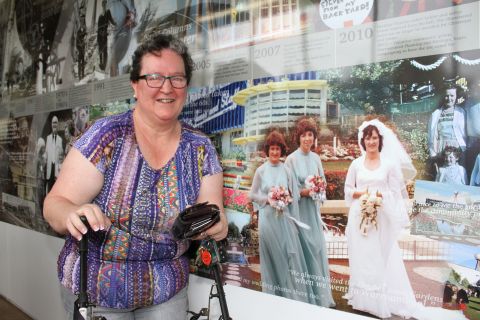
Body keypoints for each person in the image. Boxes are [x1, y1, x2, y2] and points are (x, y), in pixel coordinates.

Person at [43, 33, 228, 319]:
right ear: (135, 85)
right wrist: (72, 211)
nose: (166, 87)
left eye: (177, 78)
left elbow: (215, 217)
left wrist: (215, 228)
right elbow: (54, 205)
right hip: (97, 290)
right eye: (154, 77)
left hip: (166, 288)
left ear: (186, 86)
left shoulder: (200, 148)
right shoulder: (107, 137)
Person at [344, 119, 466, 320]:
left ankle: (379, 302)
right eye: (368, 138)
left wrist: (379, 198)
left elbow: (395, 192)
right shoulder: (356, 164)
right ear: (363, 141)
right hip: (360, 217)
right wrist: (364, 194)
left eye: (375, 138)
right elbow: (348, 190)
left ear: (380, 140)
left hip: (380, 217)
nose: (371, 141)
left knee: (379, 258)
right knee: (362, 257)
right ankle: (361, 301)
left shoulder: (389, 164)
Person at [249, 129, 315, 304]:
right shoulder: (261, 171)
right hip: (268, 221)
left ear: (282, 151)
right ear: (267, 150)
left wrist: (288, 206)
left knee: (287, 256)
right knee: (271, 257)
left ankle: (289, 297)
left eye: (278, 149)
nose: (275, 152)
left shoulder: (286, 170)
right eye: (272, 148)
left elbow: (295, 197)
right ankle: (272, 298)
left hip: (284, 221)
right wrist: (268, 199)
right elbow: (253, 195)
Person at [284, 117, 335, 307]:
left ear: (314, 138)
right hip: (299, 214)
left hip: (312, 213)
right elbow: (289, 190)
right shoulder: (291, 159)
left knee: (316, 248)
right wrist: (305, 191)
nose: (307, 139)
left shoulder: (316, 158)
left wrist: (319, 189)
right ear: (298, 137)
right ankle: (305, 296)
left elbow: (323, 183)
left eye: (310, 135)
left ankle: (320, 295)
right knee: (303, 250)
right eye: (304, 135)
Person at [428, 85, 467, 159]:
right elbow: (431, 135)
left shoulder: (461, 112)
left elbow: (466, 132)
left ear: (456, 96)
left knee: (459, 169)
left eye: (452, 95)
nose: (449, 98)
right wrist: (432, 153)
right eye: (446, 96)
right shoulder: (435, 114)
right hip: (441, 147)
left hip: (458, 147)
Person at [45, 115, 63, 193]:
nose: (54, 124)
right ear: (51, 124)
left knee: (55, 190)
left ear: (57, 124)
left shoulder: (60, 139)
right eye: (53, 123)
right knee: (48, 190)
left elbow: (61, 155)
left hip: (56, 170)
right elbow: (46, 153)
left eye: (55, 123)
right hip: (49, 169)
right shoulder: (48, 138)